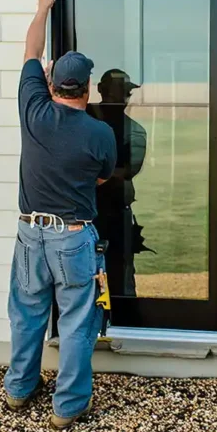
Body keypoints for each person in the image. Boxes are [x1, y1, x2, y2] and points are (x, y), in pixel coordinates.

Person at [4, 0, 117, 429]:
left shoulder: (32, 108)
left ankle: (19, 388)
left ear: (51, 83)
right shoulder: (100, 134)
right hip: (72, 237)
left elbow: (31, 49)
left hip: (30, 232)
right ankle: (67, 407)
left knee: (27, 313)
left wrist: (43, 8)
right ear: (87, 89)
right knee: (76, 321)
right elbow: (102, 178)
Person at [87, 69, 149, 297]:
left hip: (116, 215)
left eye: (126, 93)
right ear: (101, 90)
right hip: (85, 216)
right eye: (118, 92)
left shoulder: (135, 131)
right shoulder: (82, 119)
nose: (123, 98)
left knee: (120, 278)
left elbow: (127, 171)